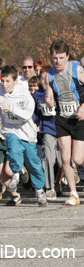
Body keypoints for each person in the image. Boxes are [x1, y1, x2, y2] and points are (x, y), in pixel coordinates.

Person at [0, 65, 47, 207]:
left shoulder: (24, 93)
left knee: (33, 163)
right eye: (2, 81)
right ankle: (16, 173)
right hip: (11, 130)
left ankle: (40, 190)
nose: (4, 84)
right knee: (13, 149)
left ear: (15, 81)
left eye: (7, 81)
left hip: (27, 133)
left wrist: (11, 109)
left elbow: (28, 114)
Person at [45, 39, 84, 206]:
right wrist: (49, 101)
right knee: (65, 158)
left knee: (78, 159)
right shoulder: (49, 75)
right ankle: (73, 194)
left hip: (79, 118)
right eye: (55, 58)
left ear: (67, 56)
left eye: (61, 58)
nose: (58, 61)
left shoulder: (78, 69)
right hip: (62, 119)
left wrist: (83, 106)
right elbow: (49, 95)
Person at [30, 75, 60, 201]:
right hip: (47, 129)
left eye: (47, 79)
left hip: (62, 129)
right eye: (43, 79)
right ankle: (50, 188)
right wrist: (33, 123)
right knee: (49, 158)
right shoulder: (37, 95)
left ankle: (61, 179)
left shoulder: (59, 92)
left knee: (62, 161)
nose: (45, 82)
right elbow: (33, 111)